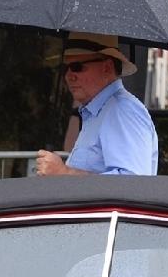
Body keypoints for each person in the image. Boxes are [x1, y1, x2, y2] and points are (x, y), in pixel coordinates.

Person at [34, 32, 158, 177]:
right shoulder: (101, 111)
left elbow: (132, 183)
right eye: (65, 68)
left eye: (77, 67)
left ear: (107, 67)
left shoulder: (121, 110)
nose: (69, 75)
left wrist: (64, 173)